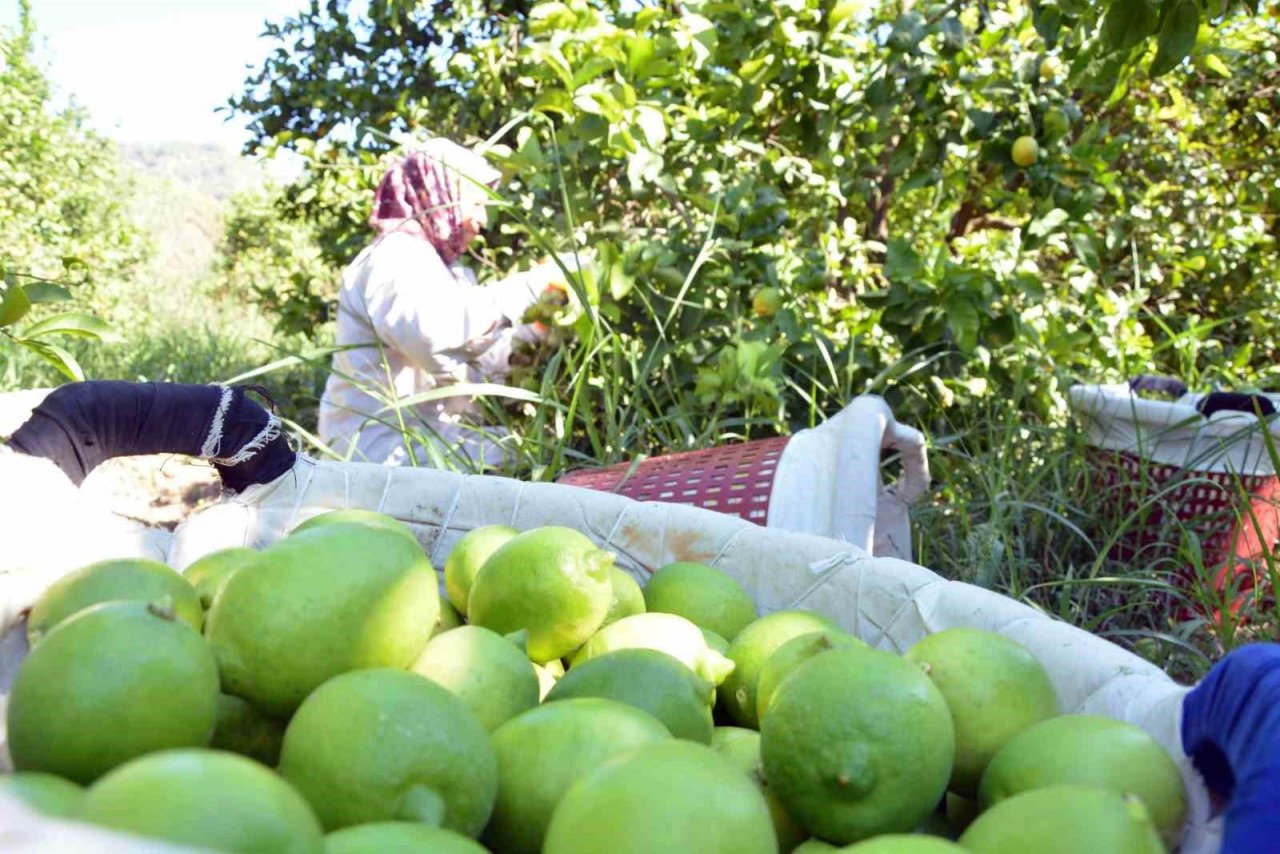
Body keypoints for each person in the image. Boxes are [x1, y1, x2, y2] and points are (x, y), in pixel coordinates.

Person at [318, 138, 562, 469]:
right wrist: (535, 285)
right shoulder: (394, 258)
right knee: (524, 457)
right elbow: (440, 335)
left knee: (529, 450)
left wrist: (539, 329)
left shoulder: (441, 269)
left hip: (423, 441)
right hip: (377, 455)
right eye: (475, 203)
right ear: (440, 193)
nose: (482, 220)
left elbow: (479, 362)